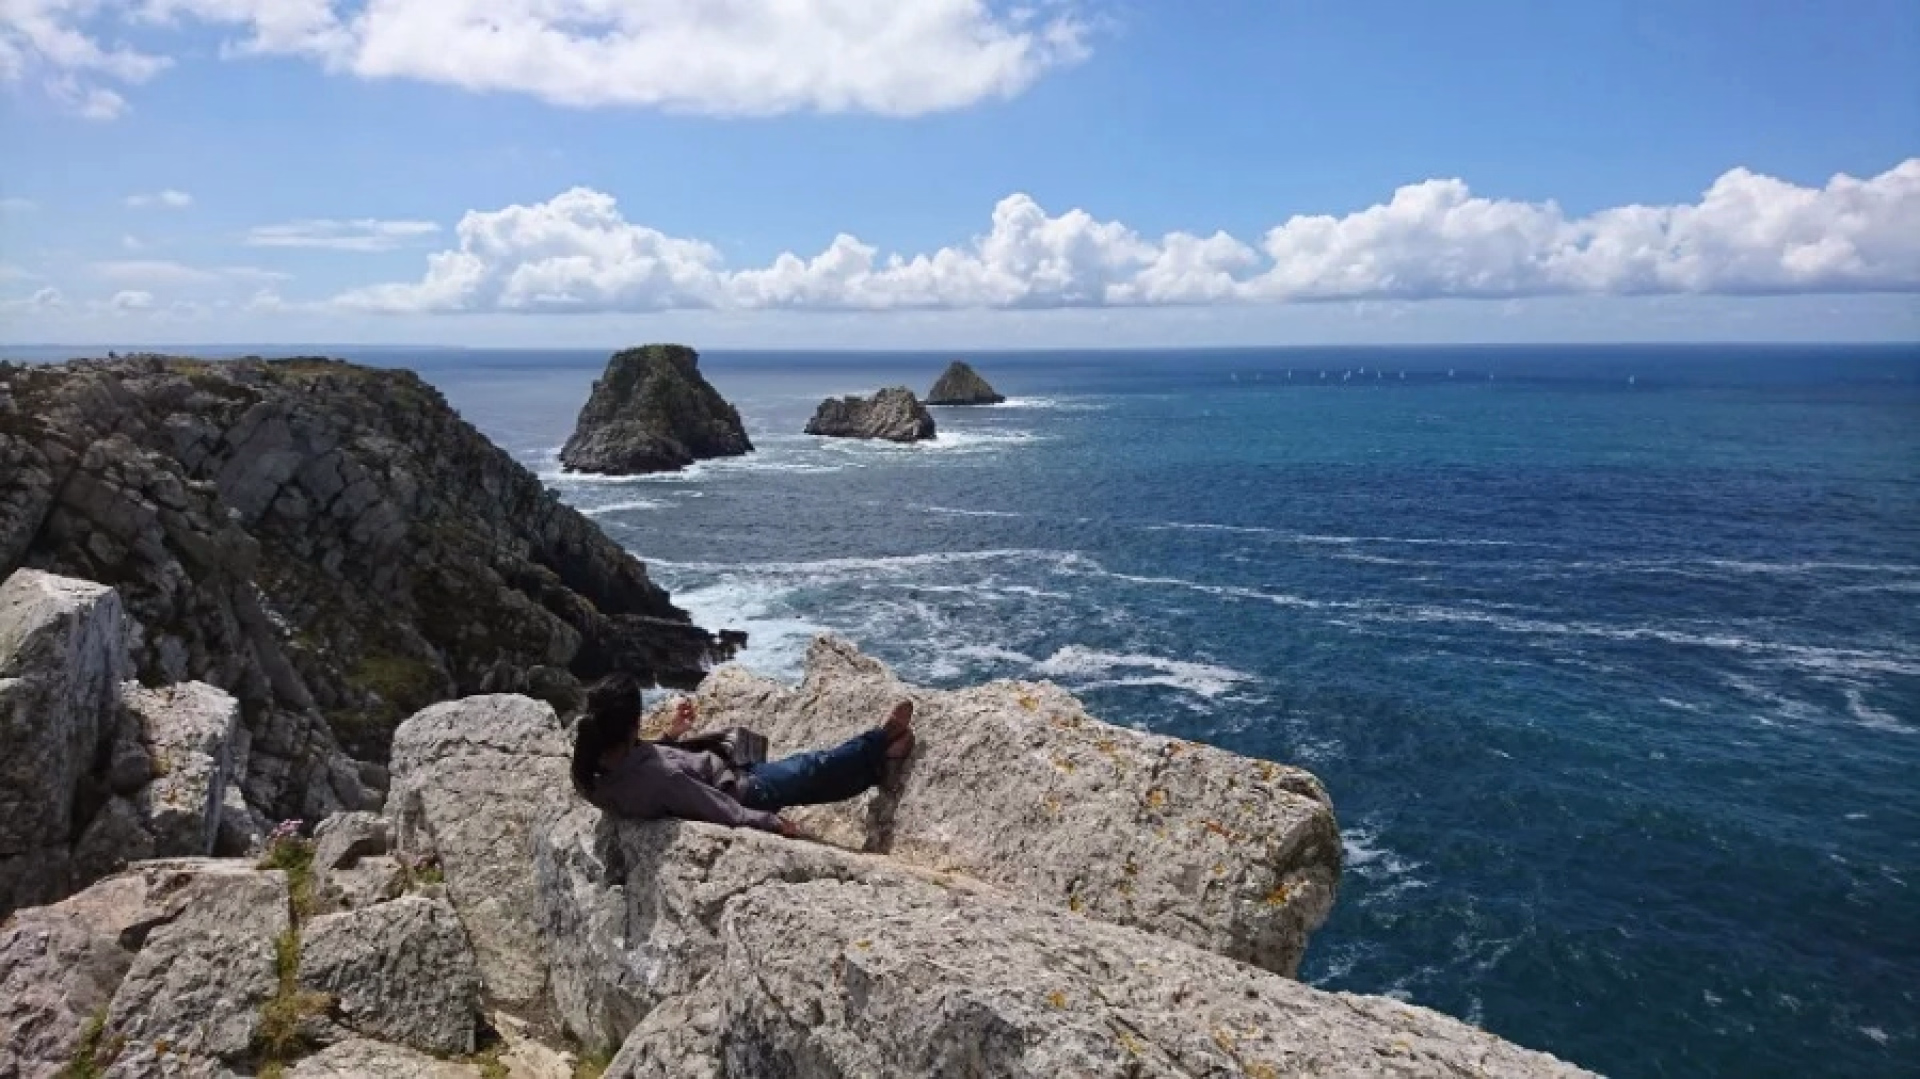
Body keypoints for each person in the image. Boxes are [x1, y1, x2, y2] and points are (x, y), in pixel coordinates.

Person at [570, 672, 915, 838]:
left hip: (723, 771)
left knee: (793, 768)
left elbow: (641, 766)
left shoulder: (594, 769)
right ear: (632, 726)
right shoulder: (662, 778)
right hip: (744, 790)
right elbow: (716, 808)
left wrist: (671, 736)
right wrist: (773, 823)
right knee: (812, 771)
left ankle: (878, 761)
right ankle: (881, 744)